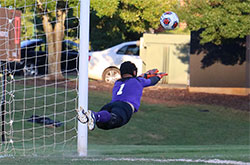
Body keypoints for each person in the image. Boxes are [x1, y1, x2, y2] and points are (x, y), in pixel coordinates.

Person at [77, 61, 168, 130]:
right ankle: (93, 115)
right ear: (134, 72)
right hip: (125, 106)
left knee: (103, 124)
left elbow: (136, 78)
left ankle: (94, 115)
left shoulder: (118, 82)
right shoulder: (138, 81)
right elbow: (151, 81)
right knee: (117, 120)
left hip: (110, 105)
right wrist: (158, 76)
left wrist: (146, 74)